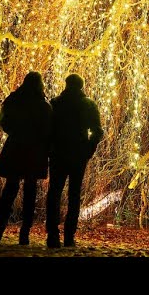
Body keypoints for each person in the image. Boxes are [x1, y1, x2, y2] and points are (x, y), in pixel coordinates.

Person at [0, 71, 52, 245]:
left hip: (15, 148)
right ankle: (24, 234)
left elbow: (1, 121)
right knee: (30, 192)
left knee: (10, 188)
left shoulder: (13, 100)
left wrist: (14, 133)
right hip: (34, 151)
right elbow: (48, 130)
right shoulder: (43, 105)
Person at [46, 73, 103, 248]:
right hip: (78, 154)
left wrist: (50, 148)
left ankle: (52, 236)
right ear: (81, 86)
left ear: (67, 84)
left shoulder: (55, 103)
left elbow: (47, 129)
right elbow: (98, 131)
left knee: (54, 193)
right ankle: (69, 236)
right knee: (74, 195)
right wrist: (88, 150)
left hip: (58, 154)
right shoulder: (88, 104)